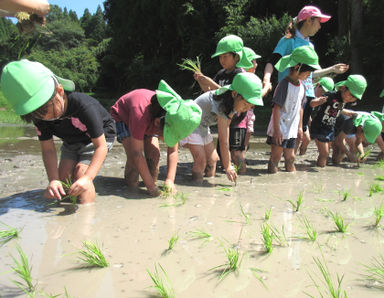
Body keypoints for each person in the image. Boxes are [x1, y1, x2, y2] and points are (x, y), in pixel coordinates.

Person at [0, 59, 116, 204]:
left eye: (46, 110)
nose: (45, 117)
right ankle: (69, 207)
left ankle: (86, 217)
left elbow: (101, 146)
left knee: (81, 174)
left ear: (60, 91)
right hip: (71, 140)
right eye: (37, 114)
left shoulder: (84, 106)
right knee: (63, 178)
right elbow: (48, 150)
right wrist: (53, 180)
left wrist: (88, 178)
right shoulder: (39, 116)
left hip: (100, 138)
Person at [262, 5, 349, 154]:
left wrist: (331, 69)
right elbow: (273, 61)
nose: (320, 26)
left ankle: (289, 164)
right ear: (309, 20)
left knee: (299, 135)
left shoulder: (310, 45)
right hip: (287, 92)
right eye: (318, 22)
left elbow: (310, 74)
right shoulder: (289, 40)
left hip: (306, 93)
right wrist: (266, 79)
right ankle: (282, 162)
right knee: (285, 130)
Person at [110, 81, 202, 196]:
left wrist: (170, 180)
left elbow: (173, 151)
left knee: (154, 155)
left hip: (151, 119)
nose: (165, 140)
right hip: (124, 117)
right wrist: (151, 187)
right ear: (158, 123)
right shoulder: (140, 114)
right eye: (166, 136)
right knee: (134, 160)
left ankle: (150, 182)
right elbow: (137, 153)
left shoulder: (175, 116)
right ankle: (132, 190)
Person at [180, 72, 263, 183]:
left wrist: (227, 163)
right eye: (245, 104)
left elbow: (226, 130)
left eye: (250, 106)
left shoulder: (232, 102)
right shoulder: (222, 103)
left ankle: (208, 188)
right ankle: (197, 185)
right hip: (190, 123)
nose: (246, 109)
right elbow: (223, 139)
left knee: (213, 160)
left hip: (202, 125)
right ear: (234, 94)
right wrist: (228, 166)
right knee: (201, 161)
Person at [266, 46, 321, 173]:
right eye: (308, 72)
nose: (309, 75)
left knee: (291, 157)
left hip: (291, 127)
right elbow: (276, 108)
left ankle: (292, 184)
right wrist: (277, 130)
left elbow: (301, 108)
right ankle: (271, 181)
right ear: (297, 67)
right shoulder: (284, 85)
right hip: (279, 126)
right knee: (276, 157)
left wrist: (300, 127)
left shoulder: (302, 86)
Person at [310, 74, 367, 167]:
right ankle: (320, 176)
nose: (351, 99)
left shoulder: (343, 101)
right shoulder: (331, 95)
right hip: (319, 127)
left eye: (354, 98)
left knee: (325, 153)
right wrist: (319, 102)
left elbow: (337, 109)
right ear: (343, 88)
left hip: (329, 128)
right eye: (351, 95)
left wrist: (347, 112)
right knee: (324, 153)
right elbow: (312, 104)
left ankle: (321, 171)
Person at [297, 76, 334, 155]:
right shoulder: (308, 94)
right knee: (303, 138)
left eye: (325, 93)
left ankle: (301, 155)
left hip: (304, 120)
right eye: (322, 90)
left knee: (307, 139)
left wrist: (309, 121)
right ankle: (290, 155)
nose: (322, 94)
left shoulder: (320, 98)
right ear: (317, 85)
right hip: (298, 118)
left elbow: (308, 111)